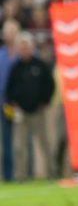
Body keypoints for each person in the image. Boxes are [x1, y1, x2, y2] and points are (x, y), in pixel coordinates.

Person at [5, 32, 56, 181]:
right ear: (18, 49)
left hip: (38, 111)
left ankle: (51, 172)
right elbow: (9, 90)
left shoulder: (40, 65)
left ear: (32, 47)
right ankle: (20, 175)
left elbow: (50, 85)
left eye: (27, 46)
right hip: (20, 112)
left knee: (44, 143)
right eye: (22, 46)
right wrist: (12, 108)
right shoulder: (15, 68)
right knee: (19, 146)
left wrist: (45, 102)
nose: (24, 49)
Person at [0, 18, 20, 181]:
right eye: (7, 32)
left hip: (20, 102)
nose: (9, 35)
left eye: (12, 32)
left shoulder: (24, 54)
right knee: (6, 138)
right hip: (3, 100)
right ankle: (8, 175)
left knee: (22, 139)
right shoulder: (1, 55)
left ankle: (24, 172)